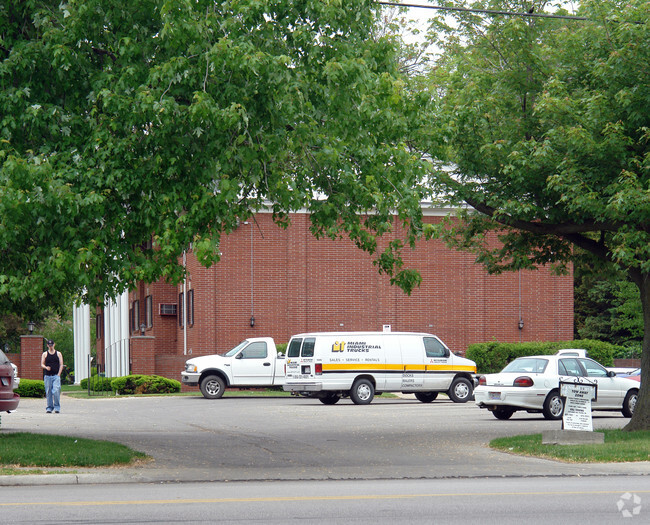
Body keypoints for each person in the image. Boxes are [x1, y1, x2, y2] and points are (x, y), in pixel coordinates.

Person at [41, 339, 63, 413]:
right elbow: (42, 364)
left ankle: (57, 407)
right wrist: (46, 367)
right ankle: (49, 407)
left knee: (56, 391)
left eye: (52, 345)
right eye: (49, 345)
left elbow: (61, 365)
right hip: (47, 376)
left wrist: (59, 374)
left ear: (54, 344)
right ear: (47, 345)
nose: (51, 347)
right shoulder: (45, 354)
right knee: (48, 392)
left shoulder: (58, 354)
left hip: (55, 376)